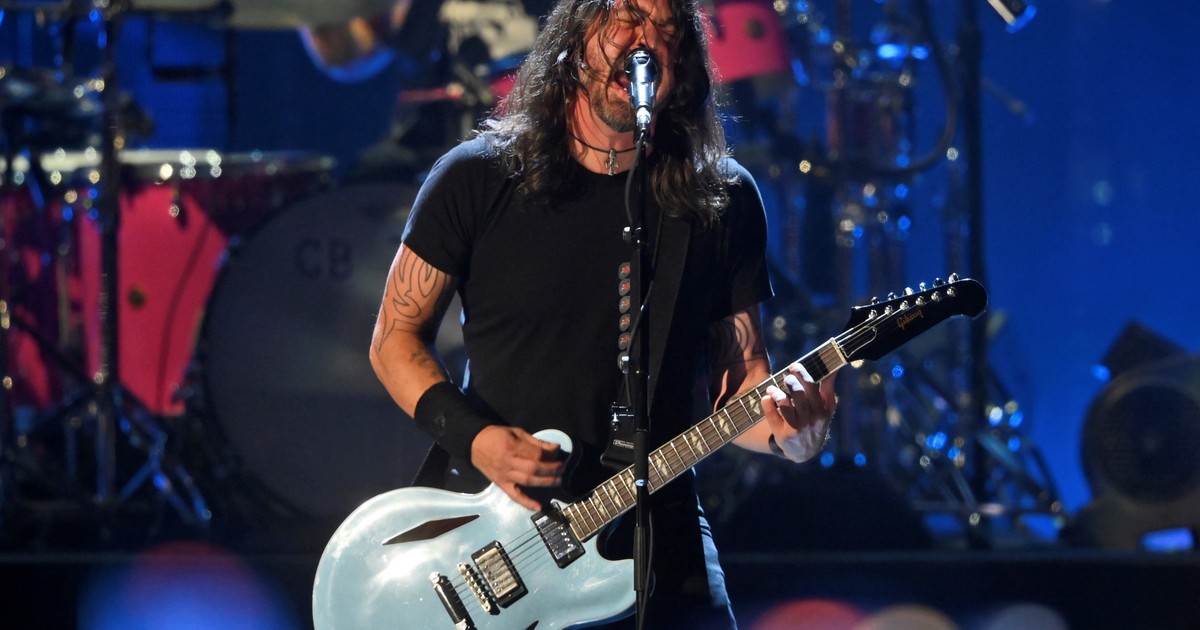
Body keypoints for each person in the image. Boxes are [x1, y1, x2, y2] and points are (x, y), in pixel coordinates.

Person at [368, 0, 838, 627]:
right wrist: (476, 440)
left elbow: (741, 382)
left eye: (665, 27)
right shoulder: (477, 178)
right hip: (502, 534)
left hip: (661, 533)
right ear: (576, 35)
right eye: (625, 15)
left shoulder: (719, 198)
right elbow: (394, 338)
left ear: (683, 64)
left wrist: (793, 433)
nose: (644, 39)